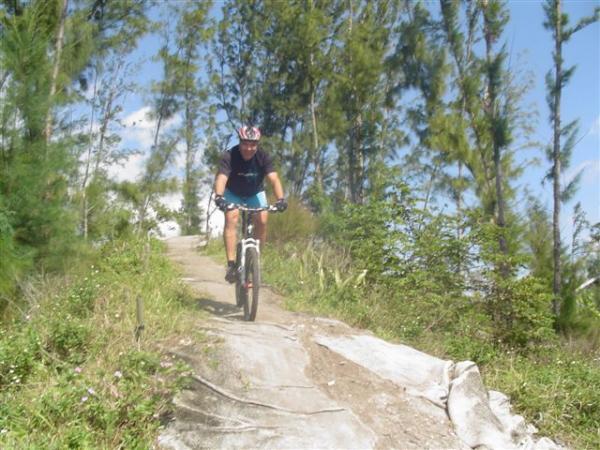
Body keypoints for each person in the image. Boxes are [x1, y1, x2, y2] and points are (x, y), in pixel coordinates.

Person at [213, 126, 287, 283]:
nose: (249, 148)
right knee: (231, 217)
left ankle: (256, 258)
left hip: (255, 193)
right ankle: (231, 265)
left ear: (257, 145)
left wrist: (281, 199)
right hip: (233, 193)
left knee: (262, 219)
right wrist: (219, 196)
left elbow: (273, 179)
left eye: (253, 144)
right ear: (239, 142)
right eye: (245, 144)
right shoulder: (230, 156)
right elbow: (221, 178)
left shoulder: (263, 156)